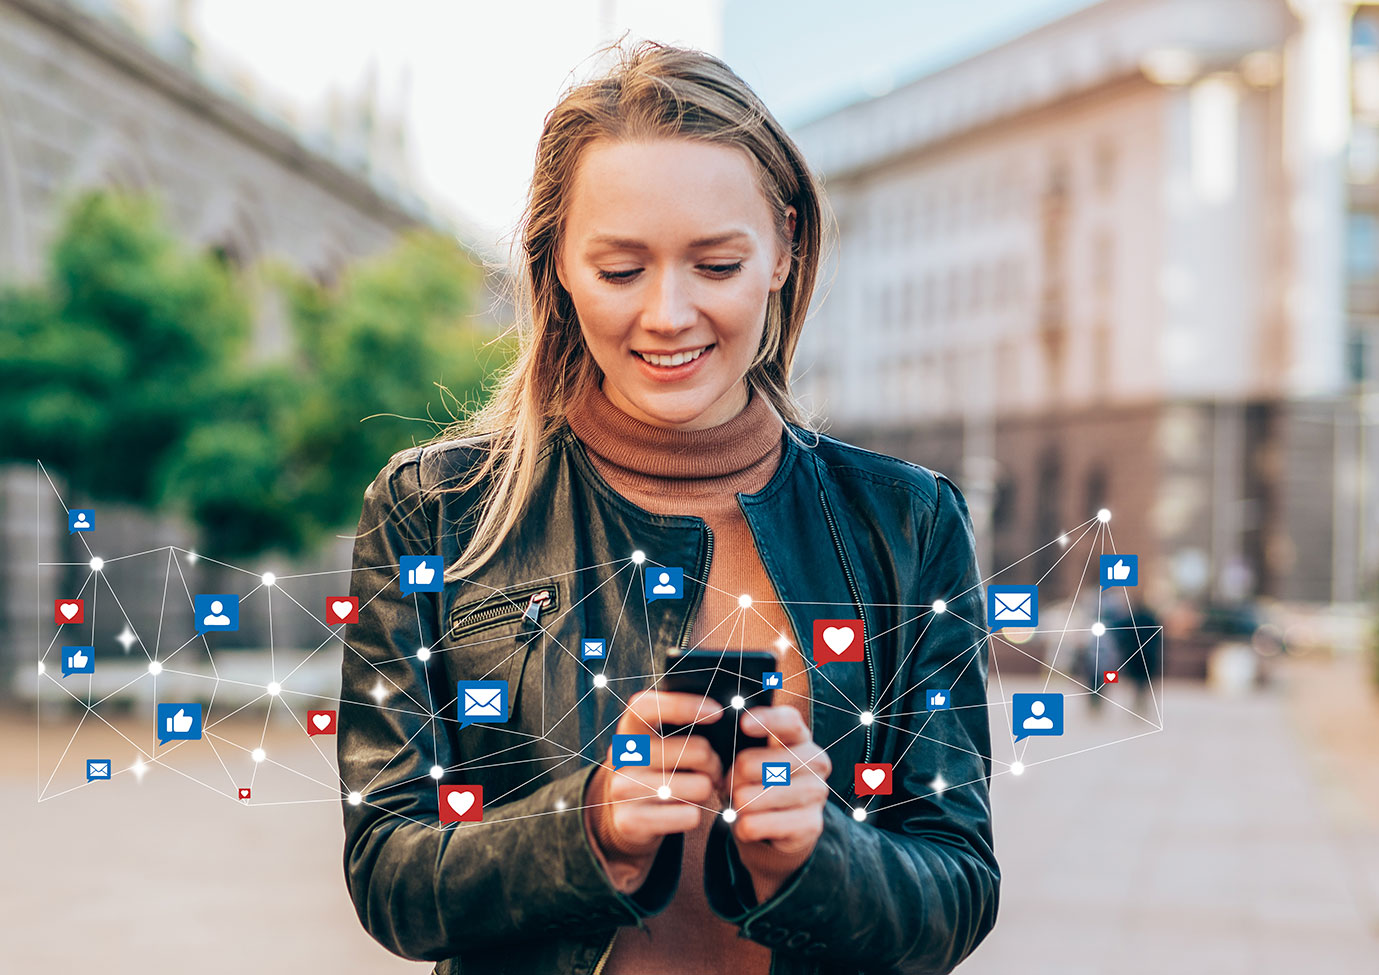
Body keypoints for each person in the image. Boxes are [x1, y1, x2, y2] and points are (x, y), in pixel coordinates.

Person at [337, 41, 999, 975]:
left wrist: (819, 858)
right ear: (556, 263)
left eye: (717, 264)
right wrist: (590, 827)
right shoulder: (433, 512)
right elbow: (389, 875)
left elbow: (959, 885)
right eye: (620, 270)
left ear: (784, 249)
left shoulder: (910, 523)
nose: (668, 314)